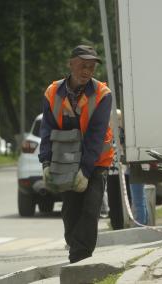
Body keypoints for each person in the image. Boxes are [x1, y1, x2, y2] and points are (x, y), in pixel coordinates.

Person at [39, 44, 114, 263]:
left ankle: (79, 258)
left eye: (91, 67)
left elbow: (96, 136)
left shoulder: (102, 94)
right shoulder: (52, 92)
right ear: (70, 64)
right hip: (65, 162)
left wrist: (85, 170)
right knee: (70, 210)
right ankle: (76, 246)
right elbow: (46, 130)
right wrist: (45, 163)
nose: (87, 71)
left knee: (90, 209)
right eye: (82, 66)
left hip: (96, 161)